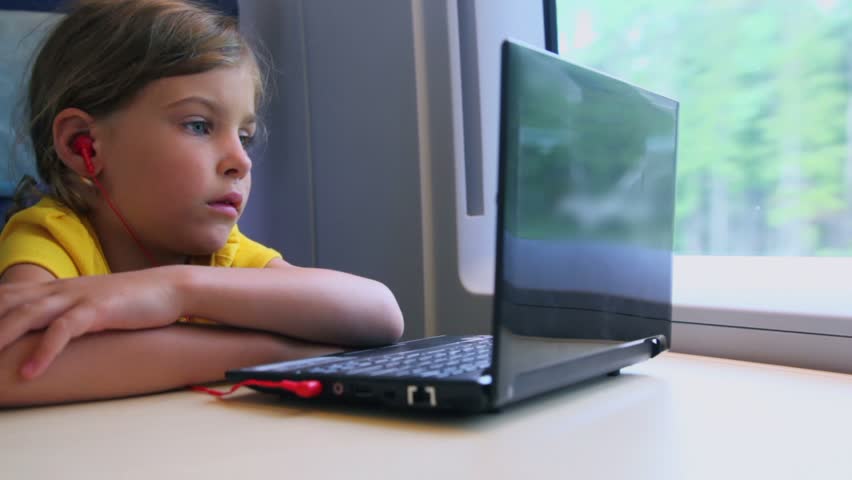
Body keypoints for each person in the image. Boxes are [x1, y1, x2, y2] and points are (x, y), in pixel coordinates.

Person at [0, 0, 403, 407]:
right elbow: (14, 365)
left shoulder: (219, 259)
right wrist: (272, 355)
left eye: (244, 136)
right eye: (198, 125)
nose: (241, 161)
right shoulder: (52, 235)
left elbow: (379, 313)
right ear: (82, 145)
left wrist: (177, 289)